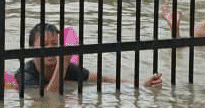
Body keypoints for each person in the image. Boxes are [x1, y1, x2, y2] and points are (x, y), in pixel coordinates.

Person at [15, 22, 162, 93]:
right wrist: (64, 63)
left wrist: (141, 84)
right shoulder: (25, 74)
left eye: (54, 44)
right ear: (32, 49)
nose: (50, 49)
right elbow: (46, 99)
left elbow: (104, 79)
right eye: (44, 45)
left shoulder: (68, 69)